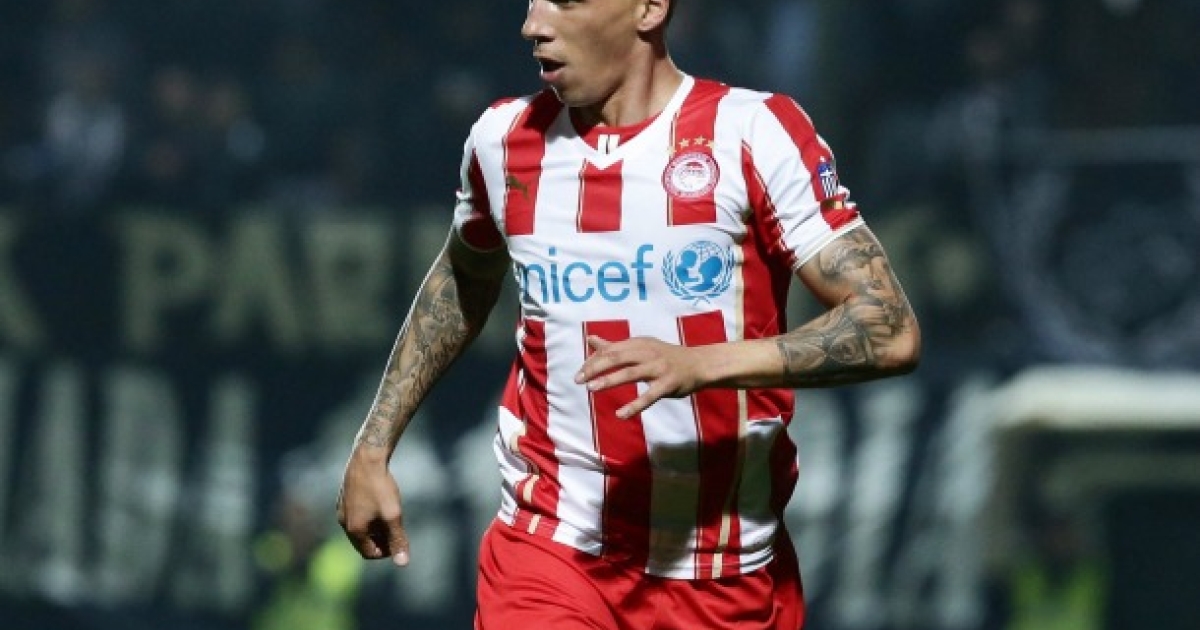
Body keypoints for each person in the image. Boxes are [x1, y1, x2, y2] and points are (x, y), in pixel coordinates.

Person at [337, 1, 920, 628]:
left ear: (649, 8)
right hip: (551, 548)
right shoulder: (503, 141)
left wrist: (703, 364)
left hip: (724, 567)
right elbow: (462, 279)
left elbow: (888, 329)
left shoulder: (753, 133)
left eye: (567, 1)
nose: (534, 25)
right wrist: (373, 446)